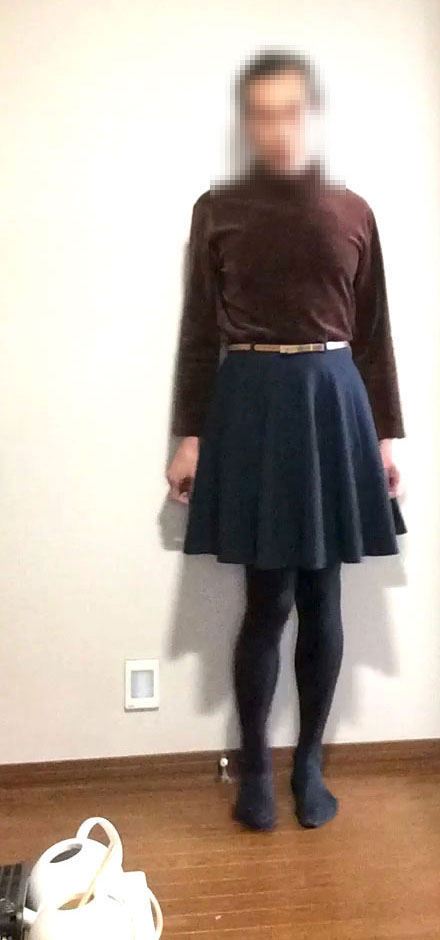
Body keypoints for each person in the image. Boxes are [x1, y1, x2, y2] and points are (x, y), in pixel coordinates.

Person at [166, 48, 407, 831]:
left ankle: (309, 766)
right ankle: (255, 772)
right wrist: (190, 436)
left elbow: (374, 334)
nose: (279, 128)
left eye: (292, 112)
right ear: (248, 123)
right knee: (266, 598)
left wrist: (386, 438)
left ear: (313, 116)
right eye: (263, 115)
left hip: (333, 402)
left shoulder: (354, 211)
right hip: (250, 403)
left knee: (322, 593)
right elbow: (199, 332)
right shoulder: (217, 209)